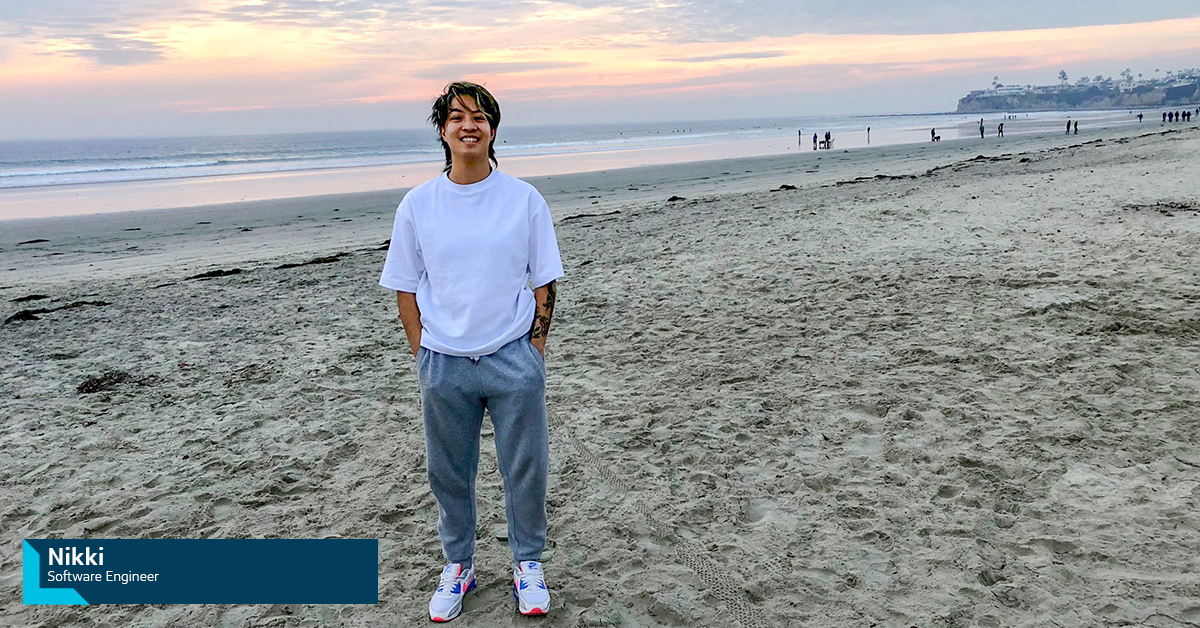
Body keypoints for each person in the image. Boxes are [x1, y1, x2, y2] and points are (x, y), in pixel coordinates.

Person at [380, 81, 564, 622]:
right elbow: (405, 286)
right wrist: (424, 356)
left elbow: (545, 280)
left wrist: (535, 350)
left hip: (512, 358)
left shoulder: (523, 198)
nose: (470, 125)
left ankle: (527, 563)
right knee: (449, 472)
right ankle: (458, 565)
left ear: (492, 130)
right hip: (444, 363)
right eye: (458, 116)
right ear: (443, 130)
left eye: (480, 117)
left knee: (525, 468)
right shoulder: (418, 204)